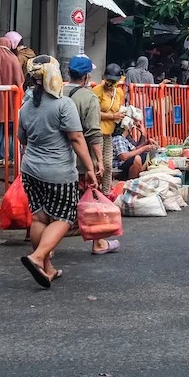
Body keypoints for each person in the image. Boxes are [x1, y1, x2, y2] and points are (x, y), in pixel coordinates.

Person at [18, 55, 97, 288]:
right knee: (63, 217)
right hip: (58, 172)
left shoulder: (26, 105)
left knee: (40, 217)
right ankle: (37, 257)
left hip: (30, 169)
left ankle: (46, 268)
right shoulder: (64, 104)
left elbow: (22, 138)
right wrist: (90, 168)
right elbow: (76, 138)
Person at [64, 54, 118, 255]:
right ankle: (99, 243)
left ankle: (46, 247)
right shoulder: (89, 98)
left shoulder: (57, 92)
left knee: (57, 202)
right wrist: (97, 161)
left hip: (58, 159)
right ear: (86, 77)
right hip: (80, 159)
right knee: (91, 198)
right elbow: (93, 133)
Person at [93, 63, 126, 199]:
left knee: (108, 164)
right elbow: (94, 112)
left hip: (109, 133)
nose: (110, 83)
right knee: (97, 165)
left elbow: (120, 108)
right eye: (108, 80)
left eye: (113, 81)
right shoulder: (97, 91)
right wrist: (113, 116)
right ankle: (93, 193)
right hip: (96, 132)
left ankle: (106, 194)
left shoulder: (119, 92)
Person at [0, 38, 25, 165]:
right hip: (11, 99)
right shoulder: (13, 59)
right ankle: (10, 156)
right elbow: (19, 80)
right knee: (10, 129)